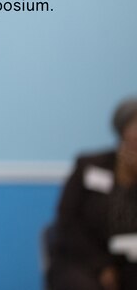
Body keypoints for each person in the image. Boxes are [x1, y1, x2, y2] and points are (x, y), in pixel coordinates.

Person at [47, 98, 137, 290]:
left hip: (129, 262)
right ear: (123, 131)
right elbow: (67, 220)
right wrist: (101, 266)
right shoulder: (90, 166)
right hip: (81, 259)